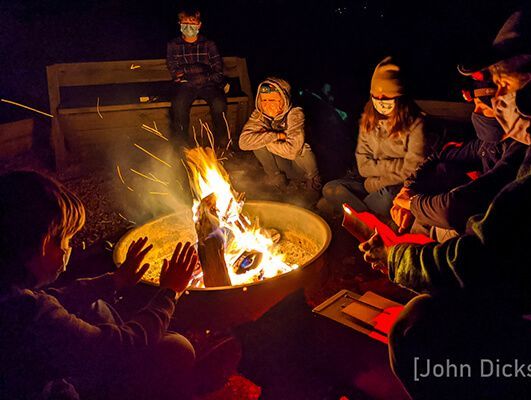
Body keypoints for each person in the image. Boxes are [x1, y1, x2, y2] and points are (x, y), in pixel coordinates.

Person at [359, 10, 531, 399]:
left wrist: (395, 258)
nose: (493, 97)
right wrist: (413, 193)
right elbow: (470, 169)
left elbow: (481, 259)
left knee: (418, 326)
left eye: (502, 84)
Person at [0, 171, 199, 400]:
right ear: (40, 245)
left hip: (53, 368)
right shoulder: (31, 315)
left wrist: (115, 280)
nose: (67, 248)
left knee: (94, 307)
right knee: (177, 348)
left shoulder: (13, 293)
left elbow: (57, 297)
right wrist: (169, 293)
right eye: (63, 239)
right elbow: (119, 349)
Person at [390, 78, 528, 242]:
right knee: (441, 170)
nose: (476, 113)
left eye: (482, 108)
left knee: (427, 219)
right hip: (467, 213)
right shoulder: (488, 144)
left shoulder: (520, 152)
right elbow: (440, 157)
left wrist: (411, 203)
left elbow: (455, 208)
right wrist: (408, 189)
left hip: (496, 231)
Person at [318, 57, 436, 220]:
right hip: (368, 183)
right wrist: (396, 165)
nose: (381, 104)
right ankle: (371, 219)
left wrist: (375, 182)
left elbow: (411, 169)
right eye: (376, 98)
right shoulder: (369, 120)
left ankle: (359, 214)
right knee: (330, 189)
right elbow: (363, 166)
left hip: (395, 188)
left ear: (400, 98)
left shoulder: (415, 124)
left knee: (386, 198)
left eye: (387, 101)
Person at [239, 77, 322, 193]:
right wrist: (275, 136)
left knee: (303, 148)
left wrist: (265, 141)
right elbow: (243, 143)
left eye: (272, 100)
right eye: (264, 101)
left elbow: (292, 150)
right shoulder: (259, 115)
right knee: (256, 142)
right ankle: (276, 180)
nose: (267, 105)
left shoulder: (295, 114)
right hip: (283, 164)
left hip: (299, 166)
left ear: (284, 99)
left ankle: (312, 182)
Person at [167, 7, 229, 149]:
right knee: (178, 105)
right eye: (185, 22)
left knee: (219, 103)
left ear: (199, 25)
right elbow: (175, 72)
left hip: (208, 84)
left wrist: (190, 72)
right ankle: (182, 145)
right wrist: (203, 69)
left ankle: (222, 143)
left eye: (193, 22)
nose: (189, 26)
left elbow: (218, 72)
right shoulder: (173, 45)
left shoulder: (208, 44)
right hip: (185, 85)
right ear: (180, 23)